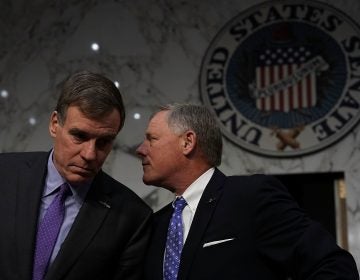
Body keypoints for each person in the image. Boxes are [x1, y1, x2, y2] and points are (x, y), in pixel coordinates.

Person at [136, 103, 359, 280]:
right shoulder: (156, 224)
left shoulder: (250, 197)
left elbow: (332, 266)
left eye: (151, 139)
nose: (140, 150)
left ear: (188, 142)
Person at [0, 70, 152, 280]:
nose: (90, 154)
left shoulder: (132, 217)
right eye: (79, 136)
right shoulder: (5, 174)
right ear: (55, 124)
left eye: (104, 142)